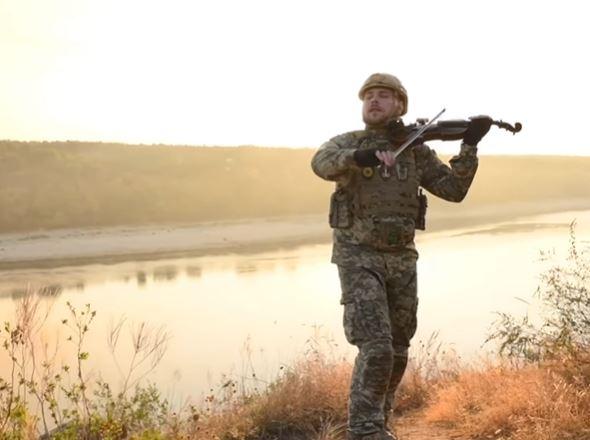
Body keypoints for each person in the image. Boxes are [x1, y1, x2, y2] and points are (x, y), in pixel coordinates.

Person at [310, 73, 492, 440]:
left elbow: (453, 190)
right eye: (368, 97)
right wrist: (358, 157)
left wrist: (469, 145)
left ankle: (380, 419)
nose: (374, 101)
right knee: (375, 347)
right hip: (357, 256)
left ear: (400, 106)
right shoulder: (348, 142)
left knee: (398, 348)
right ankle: (363, 430)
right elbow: (321, 163)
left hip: (402, 259)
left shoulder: (416, 150)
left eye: (383, 96)